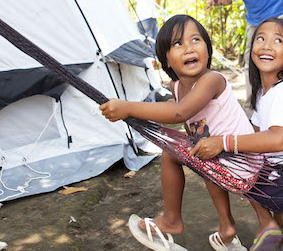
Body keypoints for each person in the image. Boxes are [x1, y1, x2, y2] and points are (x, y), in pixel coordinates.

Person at [100, 14, 260, 251]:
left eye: (195, 40)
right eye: (177, 44)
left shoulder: (212, 80)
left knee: (171, 153)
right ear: (166, 60)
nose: (188, 48)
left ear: (208, 48)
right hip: (221, 160)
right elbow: (190, 126)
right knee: (196, 149)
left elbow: (179, 113)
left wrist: (127, 107)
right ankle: (226, 225)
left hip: (242, 160)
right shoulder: (176, 87)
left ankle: (172, 219)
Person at [190, 18, 283, 251]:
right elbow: (254, 132)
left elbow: (277, 140)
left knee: (226, 161)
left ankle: (268, 222)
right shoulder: (264, 92)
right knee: (238, 152)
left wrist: (224, 142)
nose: (266, 45)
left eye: (277, 41)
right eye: (261, 39)